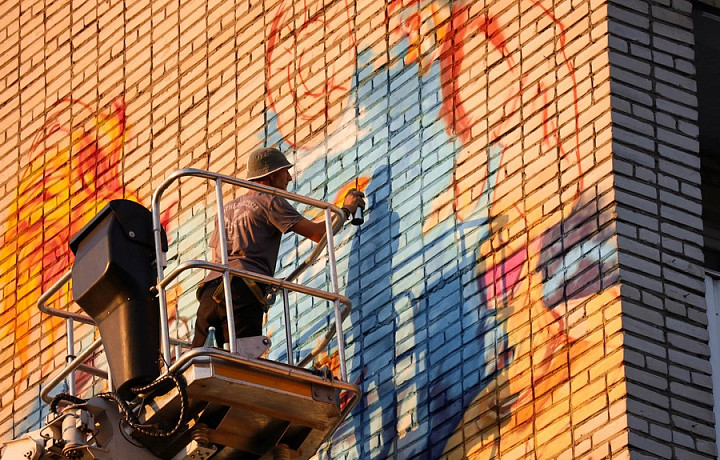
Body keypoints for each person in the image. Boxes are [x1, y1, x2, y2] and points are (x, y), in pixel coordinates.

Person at [192, 146, 365, 348]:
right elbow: (319, 234)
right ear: (271, 175)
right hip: (241, 292)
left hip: (210, 292)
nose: (289, 178)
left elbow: (216, 258)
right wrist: (346, 209)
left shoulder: (226, 209)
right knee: (242, 362)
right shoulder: (270, 200)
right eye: (285, 172)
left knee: (203, 362)